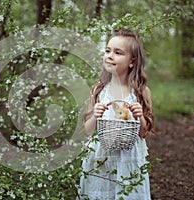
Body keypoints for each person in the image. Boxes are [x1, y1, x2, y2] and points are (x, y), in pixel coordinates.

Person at [78, 29, 154, 200]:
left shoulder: (141, 92)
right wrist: (95, 116)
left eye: (118, 53)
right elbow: (87, 130)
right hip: (101, 157)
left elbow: (143, 133)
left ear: (132, 62)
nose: (110, 56)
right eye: (107, 50)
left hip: (129, 158)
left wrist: (140, 116)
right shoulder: (99, 90)